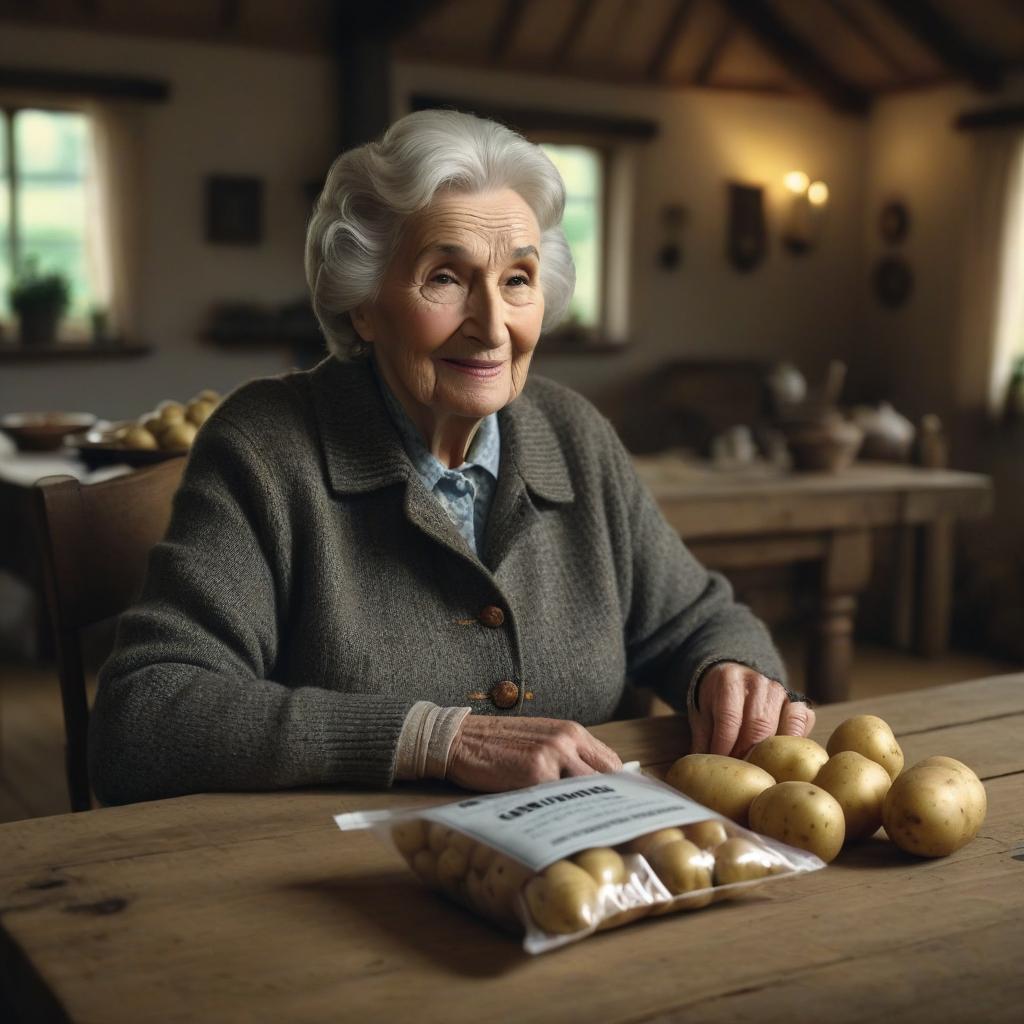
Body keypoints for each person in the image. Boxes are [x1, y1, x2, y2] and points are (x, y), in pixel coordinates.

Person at [89, 110, 814, 805]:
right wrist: (433, 739)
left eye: (517, 280)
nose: (492, 326)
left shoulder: (573, 435)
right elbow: (145, 719)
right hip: (332, 885)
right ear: (362, 305)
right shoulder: (267, 447)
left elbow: (698, 620)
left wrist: (730, 671)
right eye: (445, 277)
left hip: (582, 872)